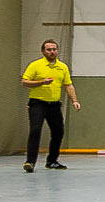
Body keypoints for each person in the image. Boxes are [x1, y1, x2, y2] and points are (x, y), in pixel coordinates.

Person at [22, 38, 83, 171]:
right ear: (43, 51)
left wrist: (74, 100)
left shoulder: (62, 67)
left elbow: (68, 85)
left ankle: (52, 161)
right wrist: (41, 82)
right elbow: (25, 82)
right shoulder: (35, 65)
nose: (52, 52)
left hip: (54, 105)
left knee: (58, 132)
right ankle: (30, 162)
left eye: (54, 49)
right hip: (37, 104)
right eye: (49, 50)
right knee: (35, 130)